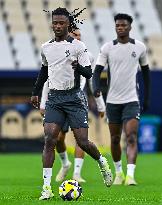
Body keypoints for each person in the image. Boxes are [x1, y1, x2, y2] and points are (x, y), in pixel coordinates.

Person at [31, 7, 113, 200]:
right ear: (52, 24)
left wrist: (78, 67)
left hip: (75, 98)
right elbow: (44, 71)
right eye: (55, 23)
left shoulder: (78, 47)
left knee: (82, 142)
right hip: (55, 99)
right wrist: (35, 92)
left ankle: (102, 162)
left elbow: (89, 73)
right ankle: (46, 188)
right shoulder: (46, 47)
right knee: (50, 139)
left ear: (68, 24)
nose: (58, 26)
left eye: (61, 23)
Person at [40, 29, 106, 183]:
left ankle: (77, 173)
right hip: (58, 98)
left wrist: (100, 105)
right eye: (74, 35)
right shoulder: (55, 52)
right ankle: (65, 164)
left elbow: (92, 81)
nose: (77, 38)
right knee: (57, 139)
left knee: (80, 139)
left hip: (78, 99)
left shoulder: (87, 56)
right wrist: (43, 103)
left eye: (79, 36)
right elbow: (47, 81)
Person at [92, 13, 150, 186]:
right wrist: (96, 88)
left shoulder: (139, 47)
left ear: (130, 27)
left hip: (132, 99)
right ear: (115, 27)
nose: (120, 28)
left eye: (123, 25)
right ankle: (118, 173)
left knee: (131, 136)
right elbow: (96, 72)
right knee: (116, 139)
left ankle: (130, 175)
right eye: (118, 25)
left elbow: (146, 74)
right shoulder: (107, 48)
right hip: (112, 101)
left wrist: (146, 98)